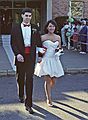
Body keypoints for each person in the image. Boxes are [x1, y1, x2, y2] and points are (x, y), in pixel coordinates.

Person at [10, 8, 42, 114]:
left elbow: (39, 43)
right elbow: (13, 43)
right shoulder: (15, 28)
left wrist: (41, 55)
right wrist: (17, 54)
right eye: (26, 15)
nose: (28, 18)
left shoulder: (35, 28)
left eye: (30, 16)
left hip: (31, 57)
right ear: (22, 16)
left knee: (29, 79)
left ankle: (29, 104)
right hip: (20, 56)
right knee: (20, 78)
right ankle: (20, 94)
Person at [34, 20, 64, 106]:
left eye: (53, 26)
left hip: (55, 60)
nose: (52, 28)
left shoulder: (58, 37)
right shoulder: (43, 37)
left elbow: (60, 48)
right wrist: (39, 57)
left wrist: (59, 52)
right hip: (45, 60)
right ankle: (49, 98)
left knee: (53, 80)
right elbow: (39, 48)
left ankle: (48, 91)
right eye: (50, 26)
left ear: (55, 28)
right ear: (47, 27)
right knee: (47, 80)